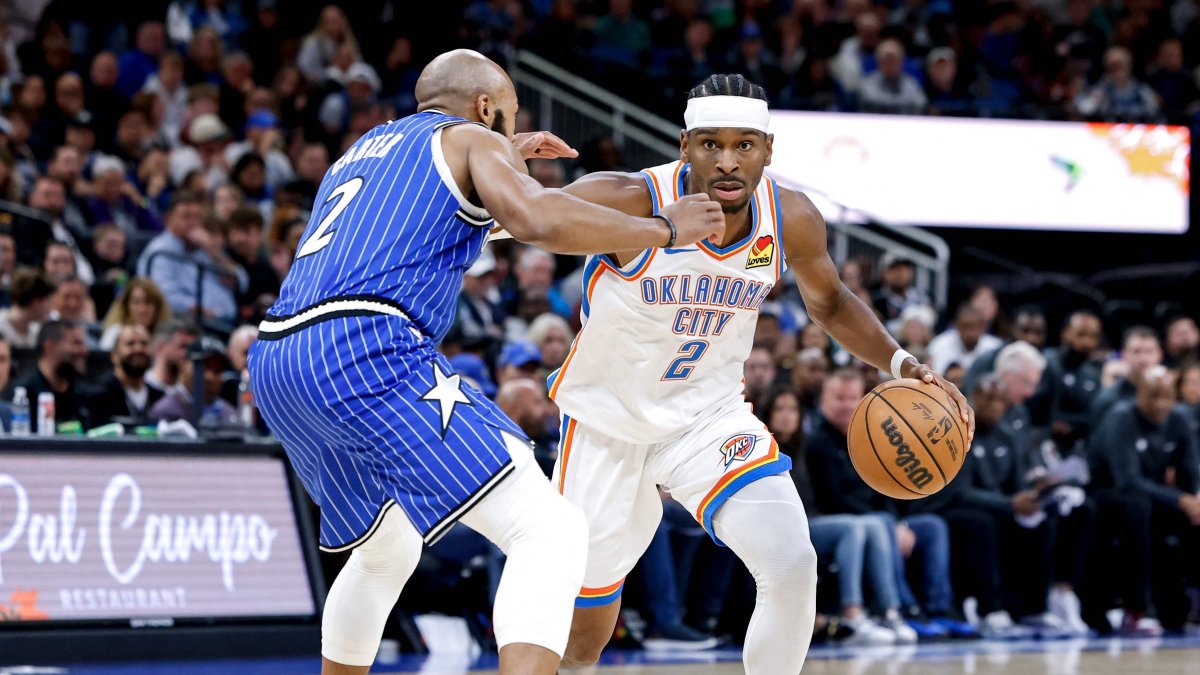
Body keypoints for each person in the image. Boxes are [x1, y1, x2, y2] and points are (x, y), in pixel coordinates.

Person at [246, 49, 725, 675]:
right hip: (364, 343)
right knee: (548, 530)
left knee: (386, 549)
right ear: (483, 107)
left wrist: (499, 164)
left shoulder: (364, 151)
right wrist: (665, 229)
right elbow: (533, 219)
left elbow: (444, 226)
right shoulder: (473, 138)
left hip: (278, 356)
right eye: (509, 115)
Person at [548, 74, 973, 674]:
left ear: (768, 150)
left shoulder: (790, 216)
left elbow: (829, 302)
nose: (727, 161)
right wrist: (487, 177)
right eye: (710, 145)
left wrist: (903, 364)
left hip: (707, 418)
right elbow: (529, 219)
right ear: (684, 145)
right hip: (605, 422)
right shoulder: (631, 197)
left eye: (744, 145)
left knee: (791, 564)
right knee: (584, 634)